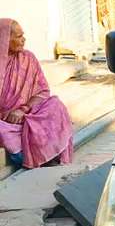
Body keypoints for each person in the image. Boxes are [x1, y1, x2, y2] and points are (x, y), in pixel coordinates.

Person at [0, 19, 73, 169]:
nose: (24, 40)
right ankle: (34, 157)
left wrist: (23, 109)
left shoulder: (28, 58)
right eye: (19, 36)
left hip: (28, 113)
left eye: (23, 35)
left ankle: (47, 154)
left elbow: (43, 91)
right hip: (6, 122)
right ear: (5, 39)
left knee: (55, 105)